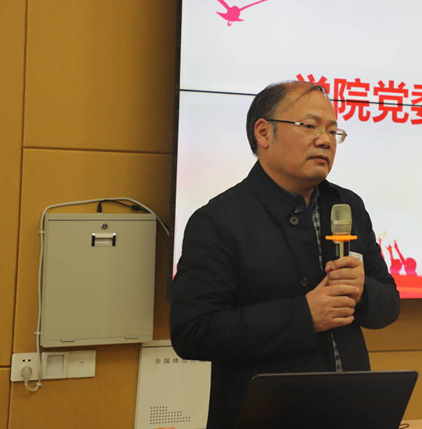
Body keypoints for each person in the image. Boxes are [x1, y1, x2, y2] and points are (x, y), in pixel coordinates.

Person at [170, 81, 401, 429]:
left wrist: (362, 291)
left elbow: (389, 306)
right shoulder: (218, 220)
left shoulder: (346, 206)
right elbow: (194, 332)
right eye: (309, 126)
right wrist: (305, 316)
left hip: (349, 412)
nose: (325, 140)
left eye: (333, 131)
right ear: (264, 133)